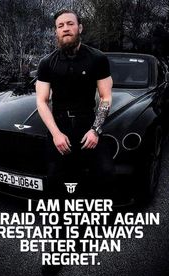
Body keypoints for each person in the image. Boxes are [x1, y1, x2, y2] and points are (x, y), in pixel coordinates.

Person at [36, 9, 114, 195]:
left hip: (87, 122)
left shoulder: (97, 58)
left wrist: (95, 130)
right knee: (56, 177)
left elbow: (105, 97)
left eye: (70, 24)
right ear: (56, 31)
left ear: (80, 27)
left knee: (105, 172)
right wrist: (56, 134)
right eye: (60, 26)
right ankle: (61, 220)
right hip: (59, 124)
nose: (65, 28)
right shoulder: (47, 63)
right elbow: (41, 101)